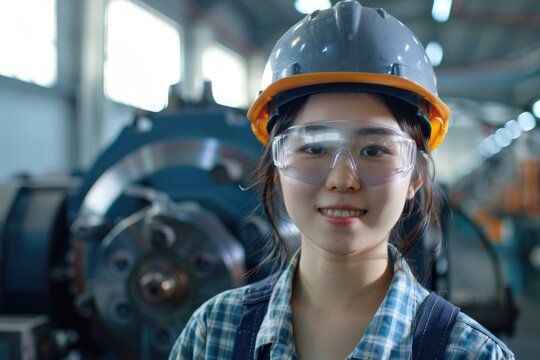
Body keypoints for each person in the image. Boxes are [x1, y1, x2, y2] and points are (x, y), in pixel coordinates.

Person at [170, 0, 514, 359]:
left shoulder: (471, 353)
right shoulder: (212, 334)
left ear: (416, 175)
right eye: (314, 148)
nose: (342, 180)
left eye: (374, 150)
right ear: (277, 165)